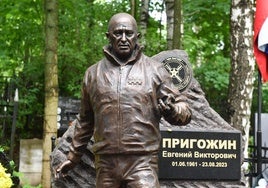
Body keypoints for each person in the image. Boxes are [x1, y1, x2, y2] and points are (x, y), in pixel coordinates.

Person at [56, 12, 191, 188]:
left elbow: (184, 110)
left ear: (137, 36)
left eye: (129, 33)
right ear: (108, 36)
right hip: (106, 164)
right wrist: (72, 157)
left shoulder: (155, 71)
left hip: (142, 162)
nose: (124, 38)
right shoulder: (92, 74)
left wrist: (174, 110)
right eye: (118, 33)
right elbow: (85, 121)